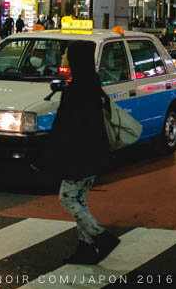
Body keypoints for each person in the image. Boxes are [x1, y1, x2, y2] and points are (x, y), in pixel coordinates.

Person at [46, 40, 121, 264]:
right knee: (80, 199)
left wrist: (47, 154)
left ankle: (100, 236)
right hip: (94, 152)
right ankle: (85, 248)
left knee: (67, 198)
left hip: (78, 155)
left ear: (76, 59)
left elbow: (62, 127)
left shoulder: (75, 90)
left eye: (66, 54)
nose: (62, 58)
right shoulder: (91, 84)